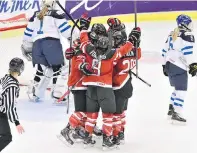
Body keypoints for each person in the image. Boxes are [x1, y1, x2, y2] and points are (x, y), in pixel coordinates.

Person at [78, 14, 141, 149]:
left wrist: (83, 27)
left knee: (92, 115)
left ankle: (87, 137)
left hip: (92, 86)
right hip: (112, 86)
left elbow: (83, 41)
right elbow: (126, 49)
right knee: (112, 114)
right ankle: (111, 137)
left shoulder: (89, 50)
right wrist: (134, 40)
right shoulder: (114, 54)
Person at [21, 0, 73, 102]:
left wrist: (27, 48)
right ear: (53, 3)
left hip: (37, 46)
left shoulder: (35, 15)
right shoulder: (56, 14)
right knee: (58, 69)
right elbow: (66, 31)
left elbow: (27, 34)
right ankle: (58, 94)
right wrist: (74, 37)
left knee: (42, 69)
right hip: (51, 44)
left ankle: (35, 93)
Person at [108, 21, 141, 144]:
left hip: (118, 86)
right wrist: (137, 41)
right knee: (121, 112)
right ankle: (121, 131)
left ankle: (116, 135)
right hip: (127, 85)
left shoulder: (115, 52)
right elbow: (138, 54)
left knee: (116, 113)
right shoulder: (133, 50)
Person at [161, 14, 197, 124]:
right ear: (186, 23)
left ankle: (171, 109)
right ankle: (176, 112)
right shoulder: (187, 35)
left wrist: (164, 65)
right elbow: (187, 52)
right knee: (181, 90)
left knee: (177, 88)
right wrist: (193, 64)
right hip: (179, 66)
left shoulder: (172, 33)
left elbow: (164, 51)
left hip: (169, 64)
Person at [0, 58, 25, 152]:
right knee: (6, 137)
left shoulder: (6, 78)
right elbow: (9, 107)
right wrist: (17, 123)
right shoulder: (12, 86)